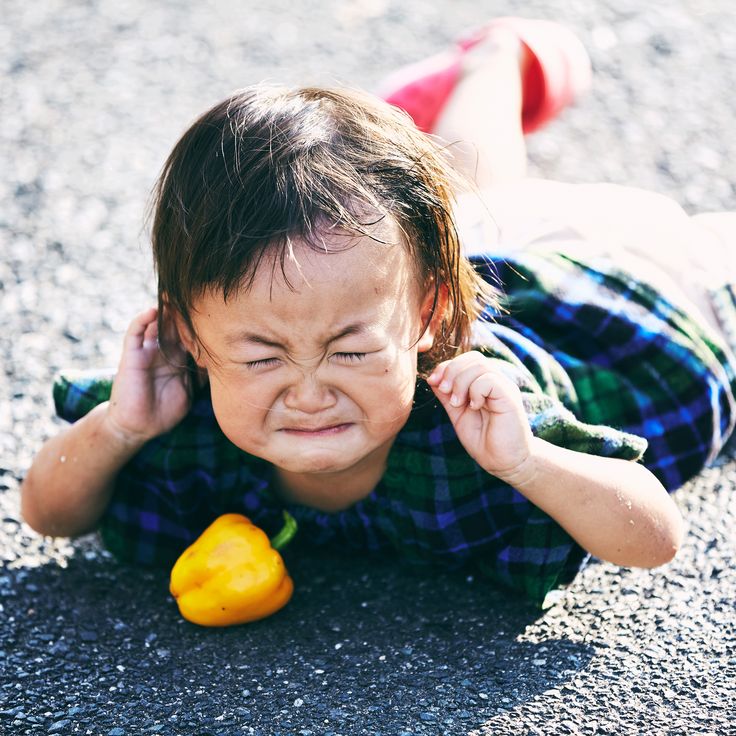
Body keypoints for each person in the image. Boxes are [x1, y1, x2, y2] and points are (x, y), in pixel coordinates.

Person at [20, 18, 736, 605]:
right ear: (189, 336)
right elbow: (48, 515)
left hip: (650, 297)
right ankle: (497, 61)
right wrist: (118, 425)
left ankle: (496, 62)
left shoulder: (481, 409)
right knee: (479, 207)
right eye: (262, 357)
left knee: (569, 226)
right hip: (461, 258)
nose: (308, 391)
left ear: (430, 315)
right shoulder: (187, 406)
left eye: (351, 352)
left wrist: (530, 461)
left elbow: (655, 538)